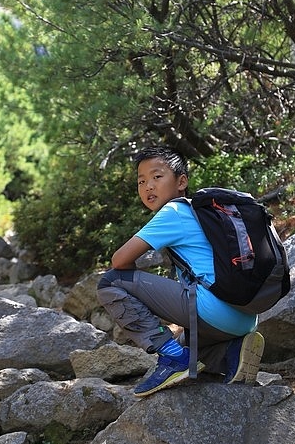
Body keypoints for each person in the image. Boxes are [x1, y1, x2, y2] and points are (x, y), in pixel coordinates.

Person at [97, 145, 265, 397]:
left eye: (157, 176)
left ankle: (175, 361)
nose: (148, 186)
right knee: (184, 345)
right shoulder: (198, 212)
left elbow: (119, 261)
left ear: (181, 181)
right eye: (141, 181)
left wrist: (139, 298)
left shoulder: (173, 212)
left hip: (213, 310)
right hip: (244, 316)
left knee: (110, 282)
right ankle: (233, 351)